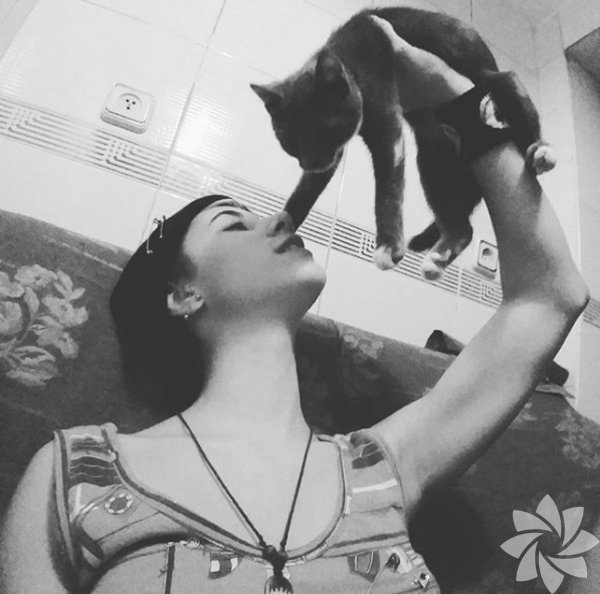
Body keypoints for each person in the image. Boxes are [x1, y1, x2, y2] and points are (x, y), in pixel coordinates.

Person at [0, 17, 589, 594]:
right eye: (234, 223)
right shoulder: (78, 475)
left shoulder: (381, 467)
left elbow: (550, 298)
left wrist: (452, 95)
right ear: (183, 294)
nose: (280, 219)